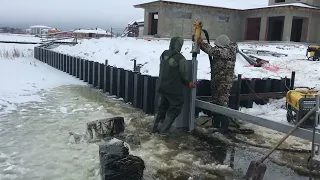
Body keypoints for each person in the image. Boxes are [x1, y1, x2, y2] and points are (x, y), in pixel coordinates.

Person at [152, 36, 196, 135]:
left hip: (162, 85)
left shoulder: (163, 54)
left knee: (161, 107)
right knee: (175, 108)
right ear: (179, 45)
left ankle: (153, 129)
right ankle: (164, 131)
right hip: (173, 89)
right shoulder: (180, 58)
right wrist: (188, 83)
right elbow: (183, 75)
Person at [198, 35, 238, 134]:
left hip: (224, 82)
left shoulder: (229, 51)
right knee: (216, 102)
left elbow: (214, 51)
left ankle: (224, 126)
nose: (217, 48)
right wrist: (200, 44)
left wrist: (203, 43)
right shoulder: (222, 51)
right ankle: (216, 124)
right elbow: (212, 51)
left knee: (222, 103)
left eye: (218, 46)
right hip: (217, 80)